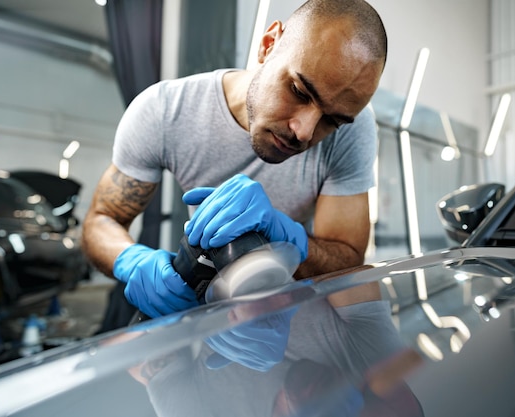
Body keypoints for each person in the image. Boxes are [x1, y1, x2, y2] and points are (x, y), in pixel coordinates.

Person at [82, 0, 388, 319]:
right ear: (268, 44)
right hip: (207, 317)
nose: (305, 132)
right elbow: (101, 220)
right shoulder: (165, 110)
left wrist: (289, 239)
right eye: (299, 91)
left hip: (298, 318)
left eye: (332, 121)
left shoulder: (355, 129)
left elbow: (349, 260)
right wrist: (132, 262)